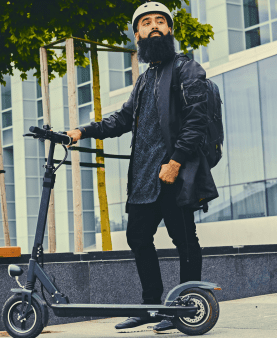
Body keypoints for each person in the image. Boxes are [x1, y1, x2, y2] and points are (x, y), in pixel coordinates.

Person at [65, 2, 218, 333]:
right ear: (137, 34)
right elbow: (122, 119)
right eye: (146, 23)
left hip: (172, 174)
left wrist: (176, 161)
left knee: (184, 239)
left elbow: (197, 119)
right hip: (144, 179)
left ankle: (183, 307)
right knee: (137, 236)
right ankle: (151, 306)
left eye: (160, 21)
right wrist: (82, 131)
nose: (154, 26)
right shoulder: (145, 79)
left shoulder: (185, 68)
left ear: (169, 29)